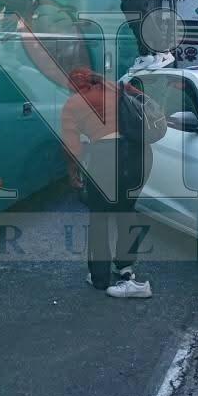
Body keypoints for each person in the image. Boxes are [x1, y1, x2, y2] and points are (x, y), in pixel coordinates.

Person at [61, 67, 153, 298]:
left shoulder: (73, 104)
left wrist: (73, 174)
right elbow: (145, 100)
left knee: (99, 216)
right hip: (139, 154)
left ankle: (100, 278)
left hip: (105, 155)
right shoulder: (116, 87)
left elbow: (72, 147)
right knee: (127, 211)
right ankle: (125, 268)